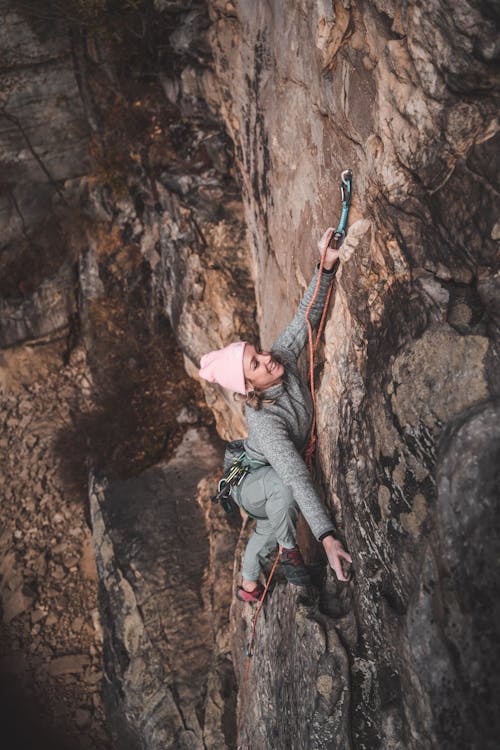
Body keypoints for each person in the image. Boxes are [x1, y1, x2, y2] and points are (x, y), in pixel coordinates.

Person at [199, 228, 352, 602]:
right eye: (256, 363)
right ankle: (288, 552)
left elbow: (306, 317)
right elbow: (297, 476)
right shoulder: (264, 423)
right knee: (282, 492)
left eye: (259, 351)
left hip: (259, 477)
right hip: (247, 482)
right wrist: (327, 537)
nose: (268, 358)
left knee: (268, 523)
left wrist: (325, 266)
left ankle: (248, 584)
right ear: (248, 387)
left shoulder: (280, 358)